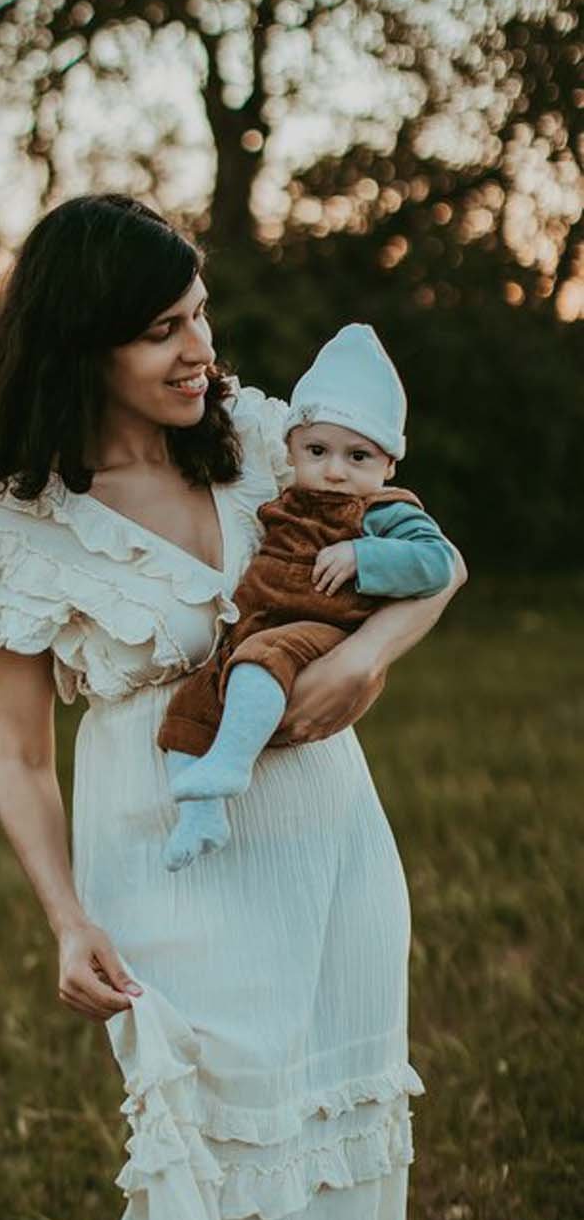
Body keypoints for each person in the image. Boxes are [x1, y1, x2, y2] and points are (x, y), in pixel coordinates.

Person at [0, 193, 466, 1220]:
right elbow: (20, 760)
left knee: (340, 1167)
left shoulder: (265, 444)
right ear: (86, 342)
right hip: (165, 874)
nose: (199, 349)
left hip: (334, 848)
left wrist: (366, 657)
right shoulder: (18, 534)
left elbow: (437, 563)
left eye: (199, 315)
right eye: (162, 327)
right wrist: (66, 920)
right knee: (216, 1184)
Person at [158, 322, 458, 872]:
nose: (336, 470)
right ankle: (202, 814)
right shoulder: (285, 497)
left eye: (359, 457)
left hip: (320, 628)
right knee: (187, 712)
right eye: (318, 450)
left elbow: (438, 563)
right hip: (257, 624)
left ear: (389, 464)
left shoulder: (385, 509)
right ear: (292, 447)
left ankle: (231, 763)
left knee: (259, 665)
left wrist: (364, 559)